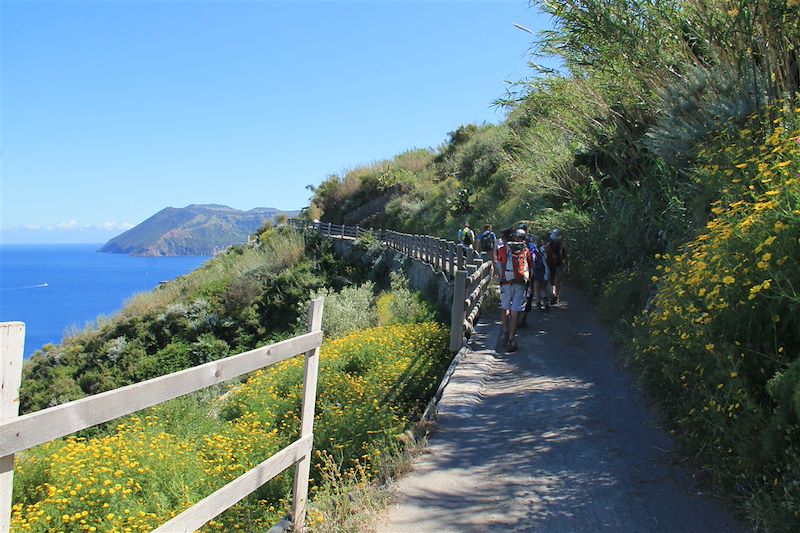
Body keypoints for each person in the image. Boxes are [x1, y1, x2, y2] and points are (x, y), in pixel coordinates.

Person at [497, 228, 534, 352]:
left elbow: (499, 266)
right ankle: (512, 338)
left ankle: (505, 331)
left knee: (505, 307)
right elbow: (530, 267)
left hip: (506, 283)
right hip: (520, 283)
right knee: (515, 310)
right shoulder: (525, 250)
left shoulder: (503, 250)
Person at [545, 228, 570, 304]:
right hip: (552, 265)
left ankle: (555, 296)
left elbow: (566, 257)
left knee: (556, 281)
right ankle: (555, 295)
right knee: (553, 281)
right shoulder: (550, 245)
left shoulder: (561, 245)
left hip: (557, 265)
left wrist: (567, 267)